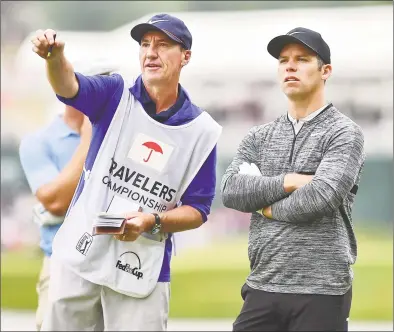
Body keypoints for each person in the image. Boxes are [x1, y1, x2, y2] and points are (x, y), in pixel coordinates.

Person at [31, 13, 222, 331]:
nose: (151, 52)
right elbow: (69, 86)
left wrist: (153, 221)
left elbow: (198, 210)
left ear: (185, 56)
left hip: (142, 267)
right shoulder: (114, 94)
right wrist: (55, 58)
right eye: (145, 44)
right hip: (79, 254)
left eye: (163, 45)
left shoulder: (202, 131)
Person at [221, 27, 365, 331]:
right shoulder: (258, 137)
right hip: (263, 283)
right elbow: (232, 191)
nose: (290, 65)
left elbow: (321, 197)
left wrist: (266, 208)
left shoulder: (344, 133)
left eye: (301, 59)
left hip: (322, 290)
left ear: (325, 71)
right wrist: (289, 181)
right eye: (284, 60)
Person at [19, 65, 116, 331]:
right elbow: (56, 201)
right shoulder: (39, 141)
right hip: (63, 264)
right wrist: (91, 135)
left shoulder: (121, 137)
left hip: (115, 264)